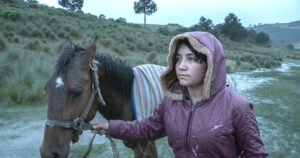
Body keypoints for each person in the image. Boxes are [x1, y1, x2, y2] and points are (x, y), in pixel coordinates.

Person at [92, 32, 269, 158]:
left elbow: (256, 154)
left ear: (210, 63)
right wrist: (111, 126)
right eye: (178, 58)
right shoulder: (171, 102)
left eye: (191, 58)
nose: (181, 66)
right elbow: (146, 128)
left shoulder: (238, 107)